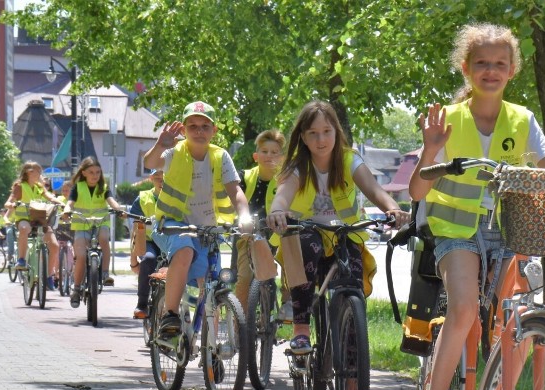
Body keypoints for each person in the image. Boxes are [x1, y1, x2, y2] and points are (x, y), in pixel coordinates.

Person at [407, 22, 545, 390]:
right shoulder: (448, 120)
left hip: (509, 233)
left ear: (513, 71)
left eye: (499, 64)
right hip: (456, 232)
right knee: (463, 310)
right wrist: (430, 148)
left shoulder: (523, 120)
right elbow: (417, 192)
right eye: (482, 63)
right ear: (466, 69)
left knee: (521, 317)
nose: (490, 71)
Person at [266, 100, 410, 354]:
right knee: (306, 247)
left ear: (336, 132)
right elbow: (283, 194)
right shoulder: (299, 166)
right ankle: (301, 330)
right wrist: (278, 211)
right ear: (303, 137)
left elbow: (375, 190)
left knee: (353, 289)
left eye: (327, 131)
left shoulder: (349, 160)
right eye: (313, 133)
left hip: (344, 234)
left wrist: (393, 209)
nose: (321, 139)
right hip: (307, 235)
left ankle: (353, 373)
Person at [143, 101, 251, 336]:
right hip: (171, 225)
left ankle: (211, 346)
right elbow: (150, 163)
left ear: (214, 131)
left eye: (205, 126)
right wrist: (160, 145)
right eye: (192, 126)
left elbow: (235, 191)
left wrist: (244, 216)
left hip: (206, 230)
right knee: (185, 251)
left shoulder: (220, 156)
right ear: (183, 130)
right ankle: (170, 316)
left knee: (210, 283)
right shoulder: (174, 152)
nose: (199, 131)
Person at [234, 129, 291, 318]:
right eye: (265, 152)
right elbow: (232, 202)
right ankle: (239, 325)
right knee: (243, 279)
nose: (269, 156)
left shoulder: (287, 180)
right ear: (256, 156)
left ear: (283, 157)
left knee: (290, 264)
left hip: (279, 234)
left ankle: (288, 306)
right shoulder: (244, 177)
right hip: (250, 234)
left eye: (275, 152)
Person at [61, 157, 125, 307]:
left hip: (100, 222)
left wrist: (118, 209)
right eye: (91, 172)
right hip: (82, 225)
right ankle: (76, 289)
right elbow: (70, 202)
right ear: (83, 173)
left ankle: (105, 273)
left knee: (104, 238)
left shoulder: (103, 187)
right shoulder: (78, 187)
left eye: (97, 172)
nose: (95, 175)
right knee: (82, 256)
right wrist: (67, 209)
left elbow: (111, 201)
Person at [4, 161, 62, 289]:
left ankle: (48, 275)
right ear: (28, 172)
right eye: (37, 171)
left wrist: (60, 203)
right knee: (25, 228)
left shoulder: (39, 187)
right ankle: (22, 260)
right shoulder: (19, 186)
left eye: (39, 171)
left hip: (39, 219)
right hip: (24, 218)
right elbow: (9, 201)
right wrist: (12, 205)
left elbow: (49, 197)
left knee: (54, 245)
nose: (39, 174)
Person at [129, 168, 164, 319]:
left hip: (171, 241)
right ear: (150, 178)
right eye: (157, 175)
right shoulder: (142, 199)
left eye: (165, 175)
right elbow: (136, 231)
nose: (161, 179)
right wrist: (133, 261)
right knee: (149, 259)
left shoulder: (180, 197)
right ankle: (142, 303)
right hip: (150, 241)